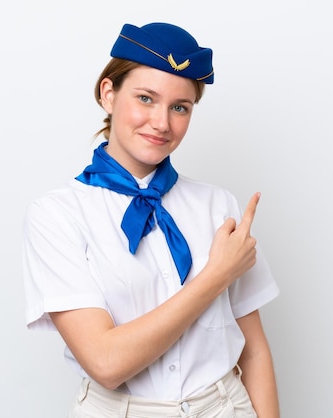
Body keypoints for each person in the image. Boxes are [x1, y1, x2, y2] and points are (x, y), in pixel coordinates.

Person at [22, 22, 280, 418]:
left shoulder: (218, 206)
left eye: (180, 107)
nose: (162, 122)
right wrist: (215, 276)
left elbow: (255, 349)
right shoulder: (58, 215)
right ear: (109, 94)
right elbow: (106, 364)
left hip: (225, 407)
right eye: (145, 98)